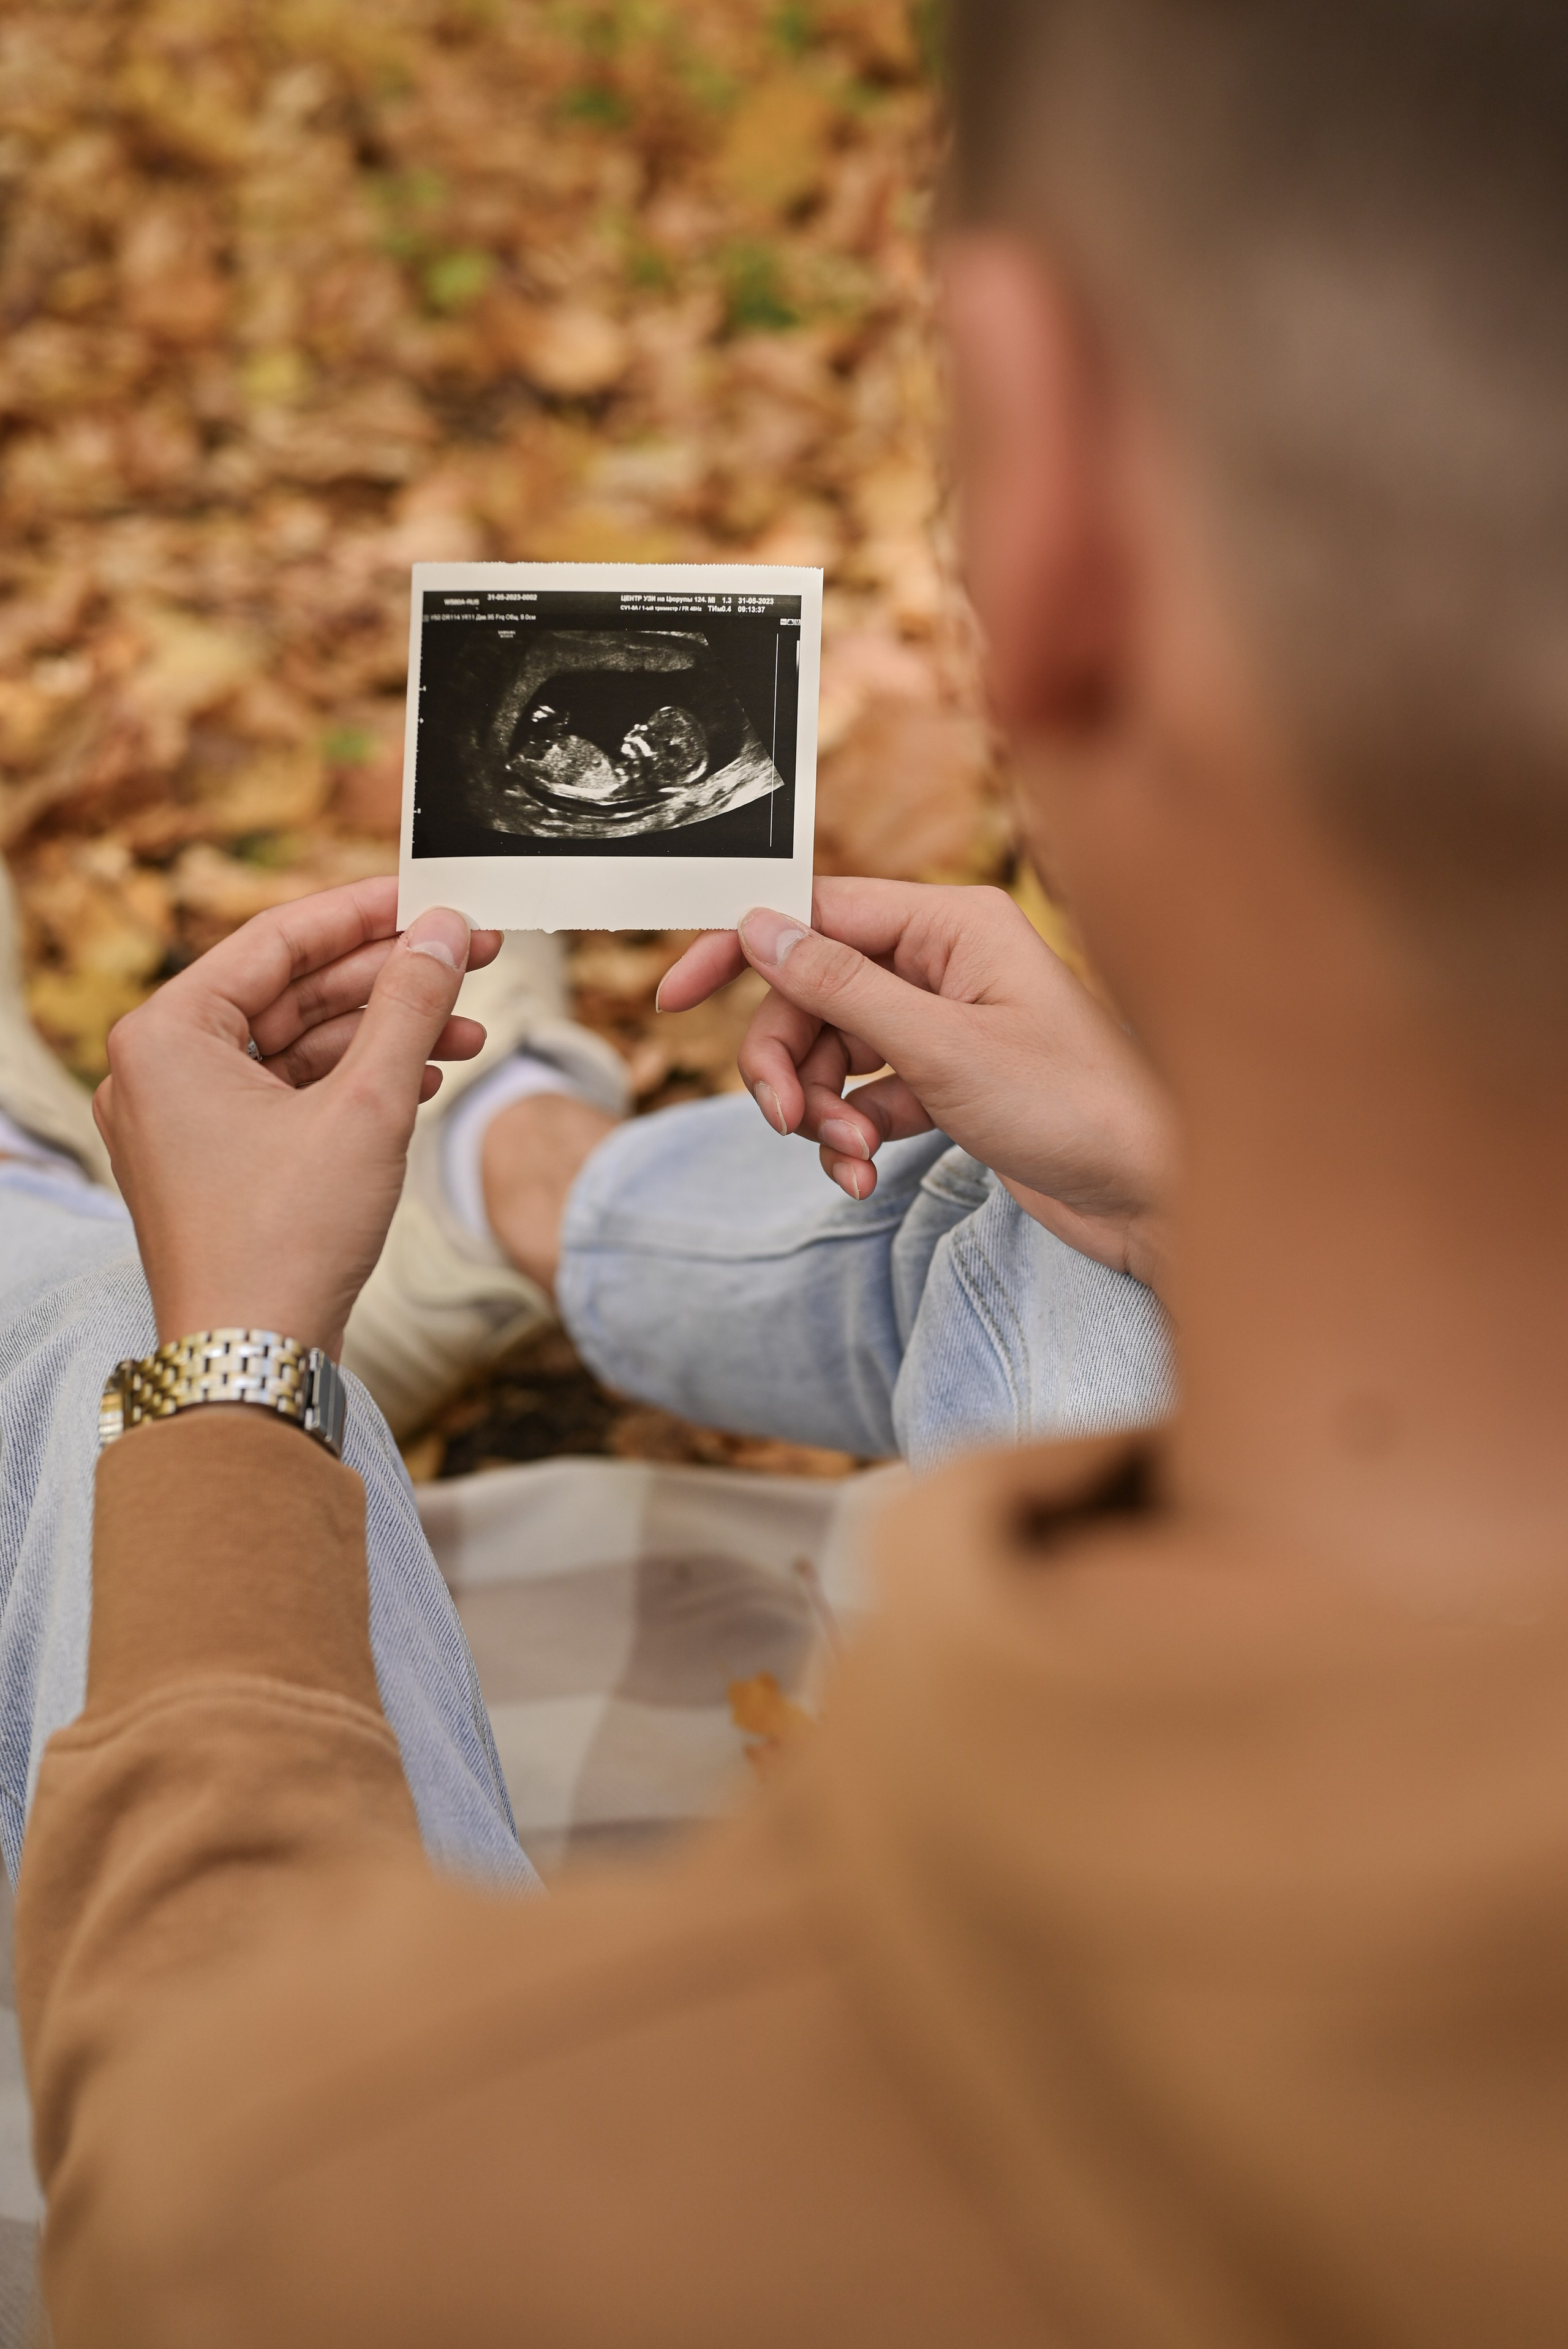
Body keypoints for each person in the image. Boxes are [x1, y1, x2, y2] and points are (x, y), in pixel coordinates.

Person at [15, 0, 1568, 2340]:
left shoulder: (457, 2192)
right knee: (1015, 1219)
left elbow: (196, 2147)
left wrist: (224, 1367)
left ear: (1052, 513)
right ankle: (529, 1185)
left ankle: (392, 1203)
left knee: (57, 1323)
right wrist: (1164, 1185)